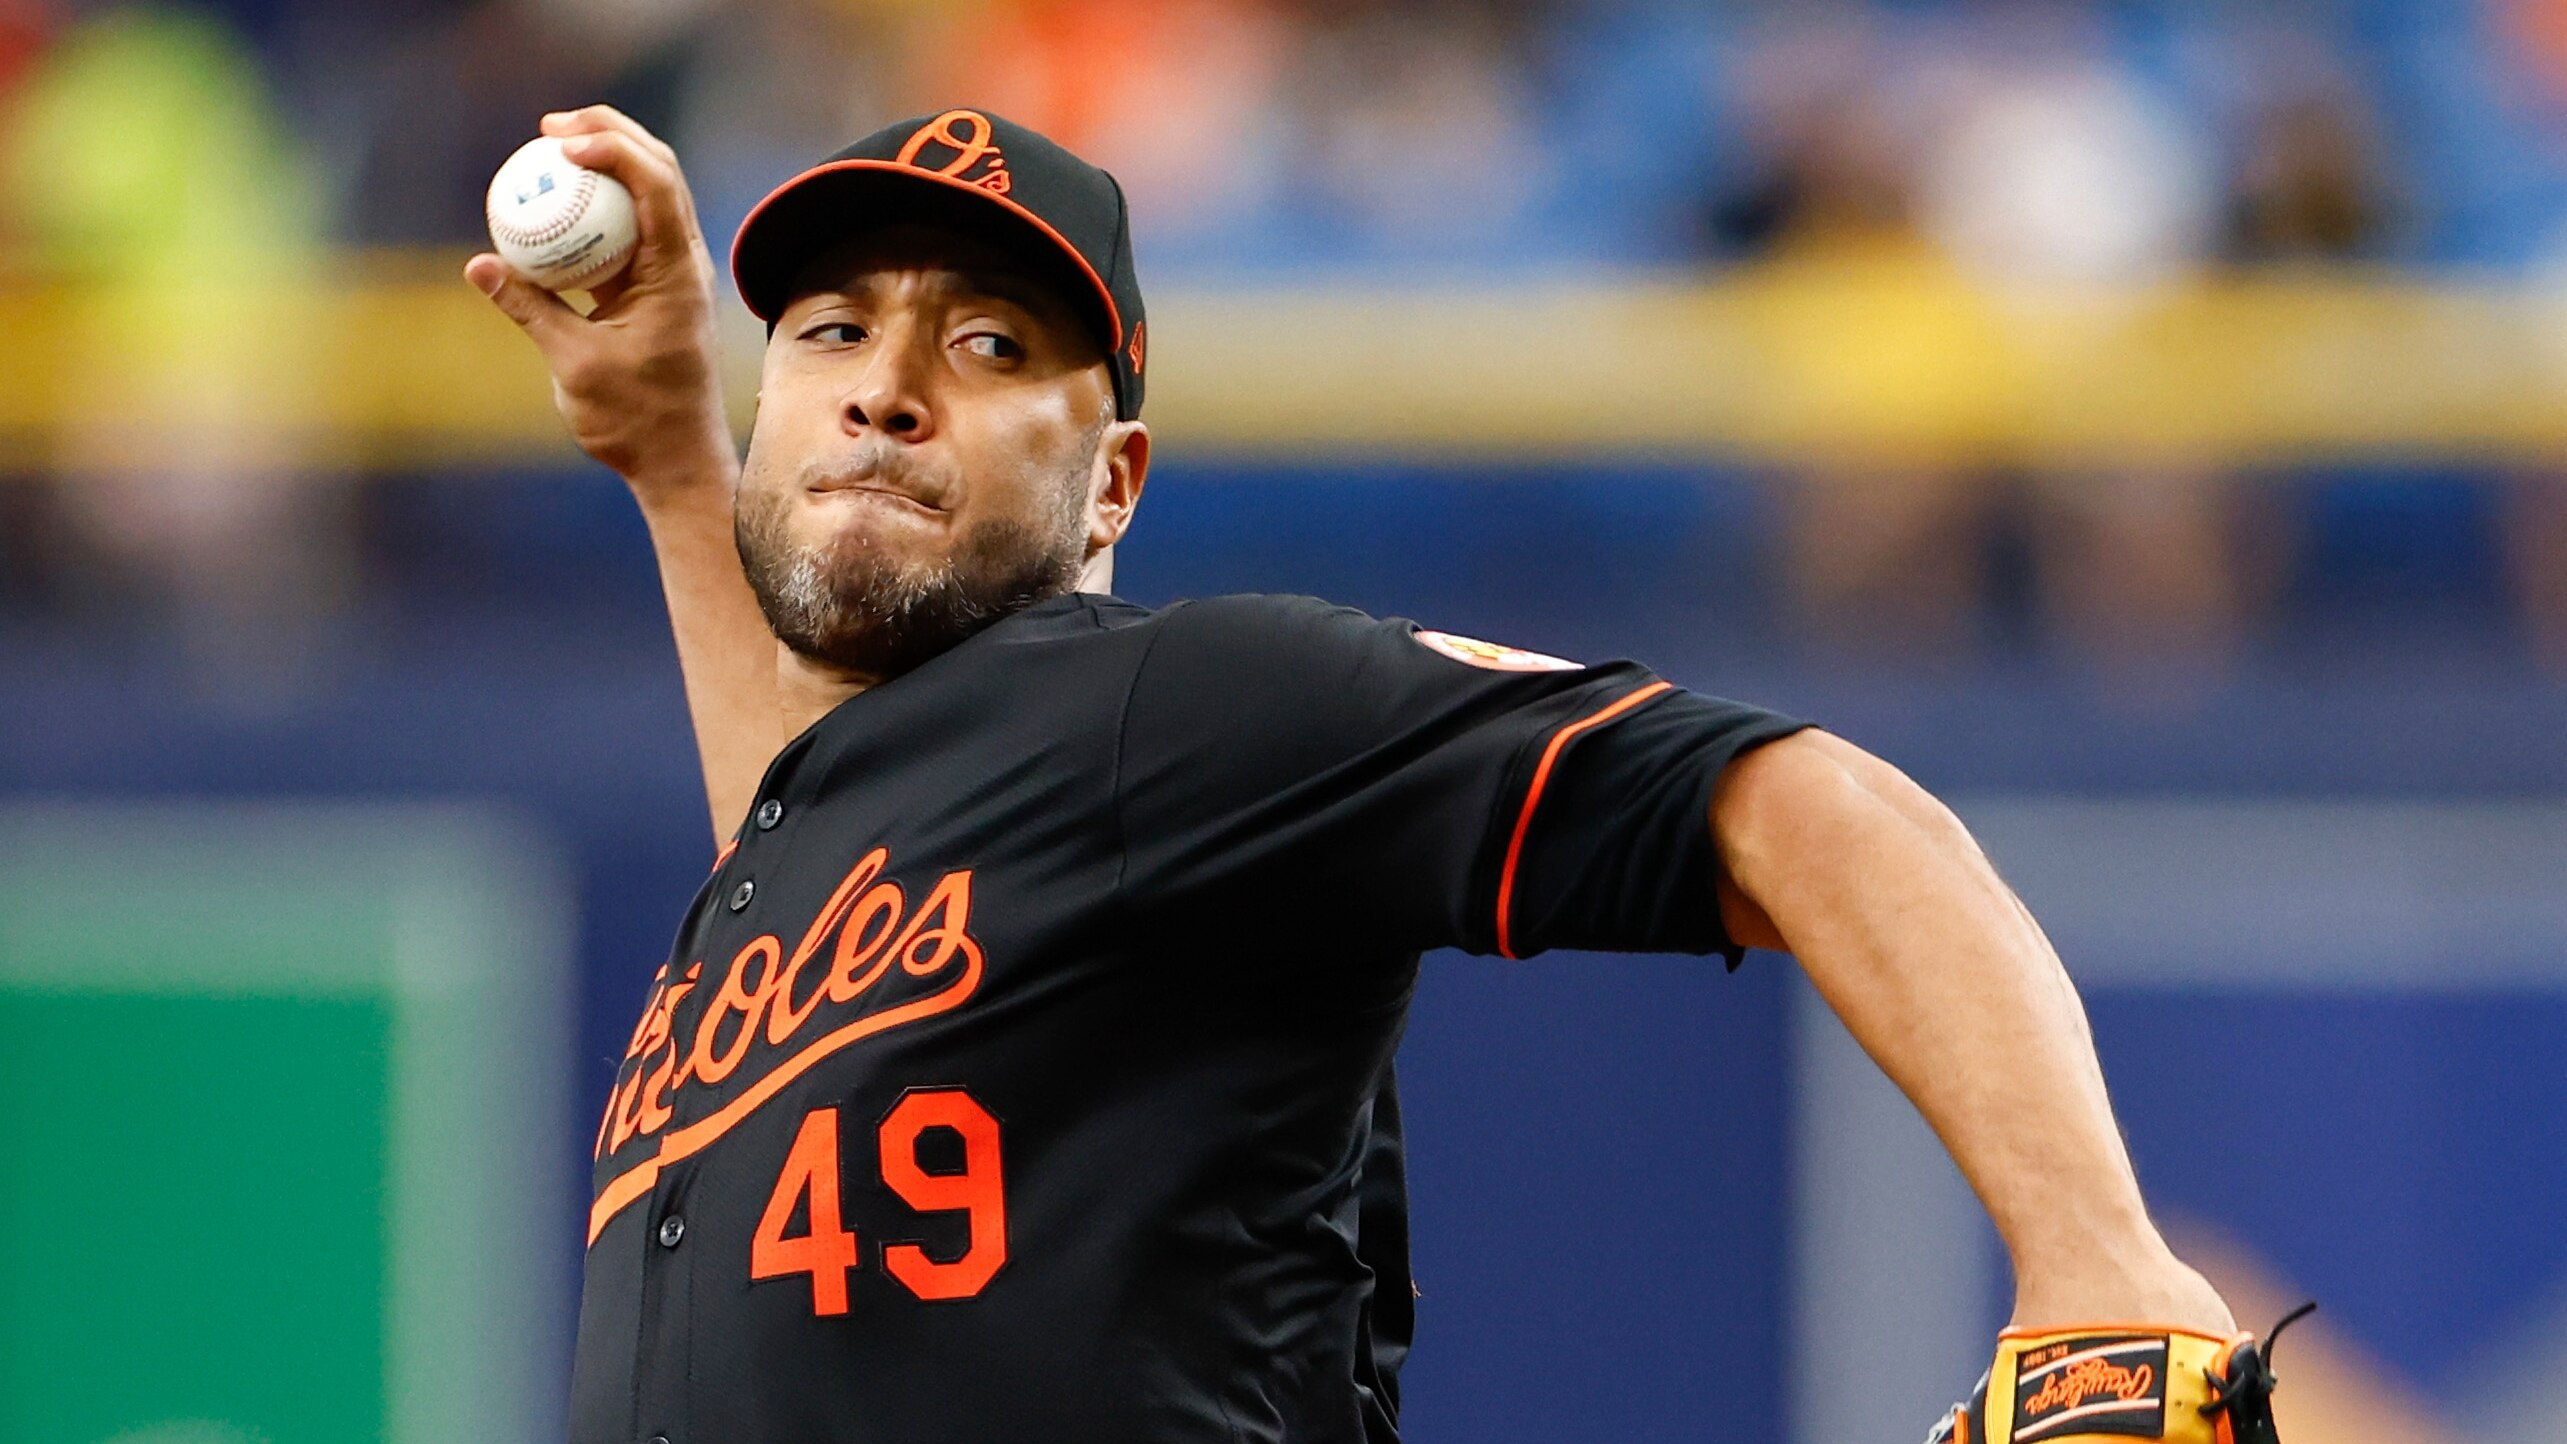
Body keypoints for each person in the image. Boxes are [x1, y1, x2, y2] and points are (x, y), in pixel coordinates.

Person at [468, 105, 2272, 1444]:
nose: (885, 385)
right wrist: (666, 458)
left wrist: (2097, 1257)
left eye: (994, 345)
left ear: (1114, 488)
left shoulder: (1185, 708)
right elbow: (831, 809)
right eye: (829, 330)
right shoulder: (825, 845)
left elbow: (1816, 807)